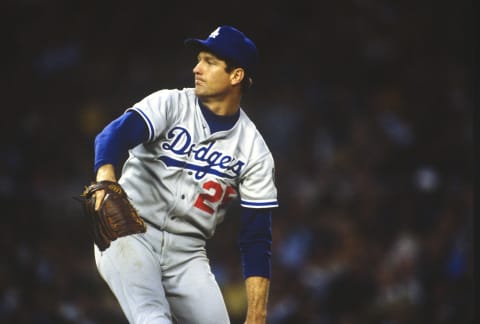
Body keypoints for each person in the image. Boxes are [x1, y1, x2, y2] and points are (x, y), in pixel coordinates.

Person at [91, 25, 278, 324]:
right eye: (199, 58)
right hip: (131, 232)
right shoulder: (171, 103)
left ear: (236, 76)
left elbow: (256, 238)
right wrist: (106, 177)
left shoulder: (254, 151)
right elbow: (113, 135)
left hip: (188, 256)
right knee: (152, 317)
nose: (196, 68)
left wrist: (257, 312)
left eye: (209, 61)